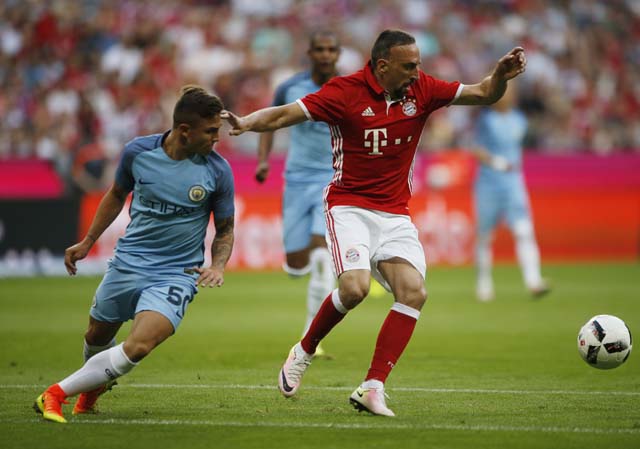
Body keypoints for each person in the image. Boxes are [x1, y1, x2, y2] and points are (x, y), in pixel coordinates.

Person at [222, 29, 527, 417]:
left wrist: (500, 73)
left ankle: (372, 386)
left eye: (418, 65)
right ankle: (304, 349)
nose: (418, 73)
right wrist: (246, 122)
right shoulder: (343, 92)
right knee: (354, 289)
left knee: (414, 293)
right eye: (409, 66)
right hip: (349, 207)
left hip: (396, 214)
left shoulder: (424, 90)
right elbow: (284, 114)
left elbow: (484, 93)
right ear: (383, 66)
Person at [33, 85, 235, 424]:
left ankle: (54, 394)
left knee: (139, 345)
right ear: (185, 131)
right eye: (211, 130)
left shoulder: (218, 170)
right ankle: (89, 396)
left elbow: (226, 228)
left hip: (177, 273)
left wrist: (217, 264)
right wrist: (88, 241)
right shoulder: (137, 153)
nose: (218, 137)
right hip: (128, 261)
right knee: (96, 336)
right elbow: (115, 194)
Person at [255, 31, 340, 358]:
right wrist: (263, 160)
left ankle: (310, 339)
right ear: (310, 52)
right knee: (295, 266)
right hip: (295, 180)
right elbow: (270, 121)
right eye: (320, 48)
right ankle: (306, 271)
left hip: (332, 179)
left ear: (337, 53)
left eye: (331, 49)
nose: (325, 54)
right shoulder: (290, 88)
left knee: (322, 257)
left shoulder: (348, 88)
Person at [471, 83, 549, 301]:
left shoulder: (520, 120)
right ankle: (483, 283)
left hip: (514, 184)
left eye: (510, 92)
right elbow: (476, 149)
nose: (506, 96)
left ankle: (534, 281)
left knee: (524, 230)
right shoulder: (485, 120)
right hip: (488, 184)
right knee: (485, 236)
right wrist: (495, 162)